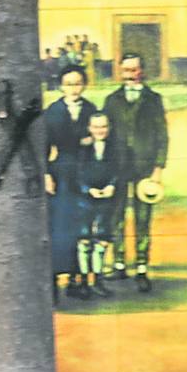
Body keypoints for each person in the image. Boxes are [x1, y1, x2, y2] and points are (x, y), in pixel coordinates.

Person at [100, 52, 167, 293]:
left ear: (142, 71)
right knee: (115, 216)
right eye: (126, 70)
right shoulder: (111, 100)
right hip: (117, 168)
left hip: (144, 169)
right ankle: (119, 264)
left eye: (134, 70)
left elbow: (162, 136)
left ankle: (141, 267)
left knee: (142, 218)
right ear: (120, 72)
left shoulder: (153, 100)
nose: (130, 75)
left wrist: (157, 169)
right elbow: (103, 135)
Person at [43, 65, 95, 298]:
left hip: (85, 172)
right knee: (59, 227)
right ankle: (54, 279)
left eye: (77, 83)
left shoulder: (92, 110)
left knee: (82, 225)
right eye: (69, 84)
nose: (73, 88)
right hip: (61, 174)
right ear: (61, 86)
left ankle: (79, 279)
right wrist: (45, 174)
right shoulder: (52, 112)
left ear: (84, 84)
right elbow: (43, 147)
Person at [70, 113, 118, 300]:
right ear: (89, 128)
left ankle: (97, 280)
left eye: (104, 127)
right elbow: (77, 173)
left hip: (106, 198)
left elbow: (117, 170)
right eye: (96, 127)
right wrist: (88, 189)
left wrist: (111, 186)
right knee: (84, 239)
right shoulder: (82, 150)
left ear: (109, 128)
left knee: (102, 238)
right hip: (85, 199)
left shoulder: (115, 149)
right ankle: (83, 281)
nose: (100, 131)